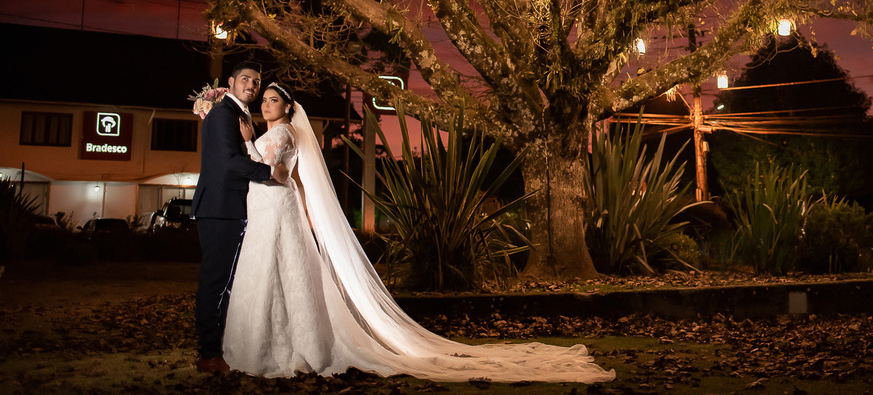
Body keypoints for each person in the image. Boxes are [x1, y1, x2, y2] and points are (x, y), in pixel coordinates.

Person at [222, 82, 615, 383]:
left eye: (274, 100)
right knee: (277, 274)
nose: (266, 104)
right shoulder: (274, 133)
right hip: (270, 209)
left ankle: (284, 345)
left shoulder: (283, 133)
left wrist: (246, 145)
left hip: (277, 207)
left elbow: (271, 172)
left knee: (282, 272)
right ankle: (274, 340)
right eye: (265, 100)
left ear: (288, 107)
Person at [192, 62, 289, 374]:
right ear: (231, 82)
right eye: (245, 79)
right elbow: (229, 162)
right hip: (219, 208)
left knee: (228, 283)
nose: (251, 85)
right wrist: (271, 172)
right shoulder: (223, 114)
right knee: (215, 282)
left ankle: (223, 348)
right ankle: (209, 354)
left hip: (234, 208)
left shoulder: (242, 116)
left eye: (256, 82)